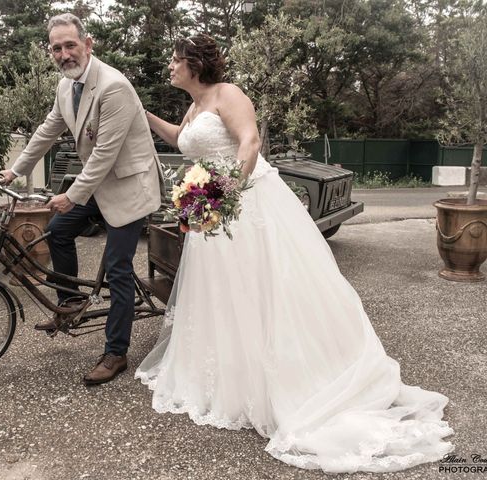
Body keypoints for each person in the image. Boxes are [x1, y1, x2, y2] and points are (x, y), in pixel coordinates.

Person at [135, 34, 454, 473]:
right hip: (213, 212)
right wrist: (145, 114)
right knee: (227, 296)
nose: (169, 66)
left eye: (174, 60)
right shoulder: (193, 107)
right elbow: (181, 139)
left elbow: (249, 143)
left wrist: (227, 193)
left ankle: (293, 375)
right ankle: (234, 376)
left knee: (268, 289)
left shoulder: (228, 94)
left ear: (194, 63)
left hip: (247, 205)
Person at [0, 13, 163, 386]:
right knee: (57, 231)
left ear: (88, 45)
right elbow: (47, 130)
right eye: (56, 48)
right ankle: (70, 304)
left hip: (128, 184)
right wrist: (15, 169)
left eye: (70, 45)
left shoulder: (113, 87)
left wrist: (72, 195)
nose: (63, 53)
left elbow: (105, 153)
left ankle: (116, 352)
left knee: (118, 266)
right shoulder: (65, 87)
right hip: (98, 182)